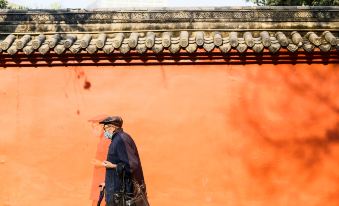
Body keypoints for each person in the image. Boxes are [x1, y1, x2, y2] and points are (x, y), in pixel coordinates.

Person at [92, 116, 147, 206]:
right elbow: (119, 164)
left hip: (122, 196)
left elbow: (131, 166)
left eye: (105, 128)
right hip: (116, 193)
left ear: (112, 127)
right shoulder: (117, 139)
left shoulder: (121, 139)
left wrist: (112, 166)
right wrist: (107, 182)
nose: (104, 131)